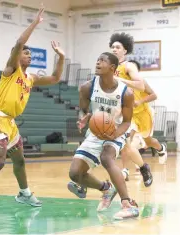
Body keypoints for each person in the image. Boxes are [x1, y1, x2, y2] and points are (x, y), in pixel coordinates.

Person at [0, 5, 65, 216]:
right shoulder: (11, 70)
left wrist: (61, 57)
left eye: (29, 54)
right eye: (25, 53)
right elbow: (19, 43)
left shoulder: (31, 78)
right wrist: (35, 23)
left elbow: (55, 78)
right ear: (16, 56)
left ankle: (24, 193)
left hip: (10, 123)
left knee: (19, 160)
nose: (29, 56)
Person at [68, 52, 139, 220]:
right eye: (97, 59)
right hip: (95, 131)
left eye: (102, 61)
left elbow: (127, 122)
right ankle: (106, 188)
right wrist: (84, 117)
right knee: (75, 173)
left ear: (113, 68)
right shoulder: (87, 87)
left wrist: (115, 133)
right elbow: (84, 110)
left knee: (107, 157)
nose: (98, 63)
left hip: (116, 130)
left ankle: (128, 205)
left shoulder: (126, 93)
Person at [109, 33, 167, 176]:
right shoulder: (111, 70)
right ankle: (125, 170)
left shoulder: (128, 67)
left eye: (117, 47)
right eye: (112, 47)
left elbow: (149, 92)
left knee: (149, 141)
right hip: (129, 115)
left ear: (125, 50)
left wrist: (139, 101)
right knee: (125, 142)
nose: (114, 49)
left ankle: (161, 148)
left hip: (143, 113)